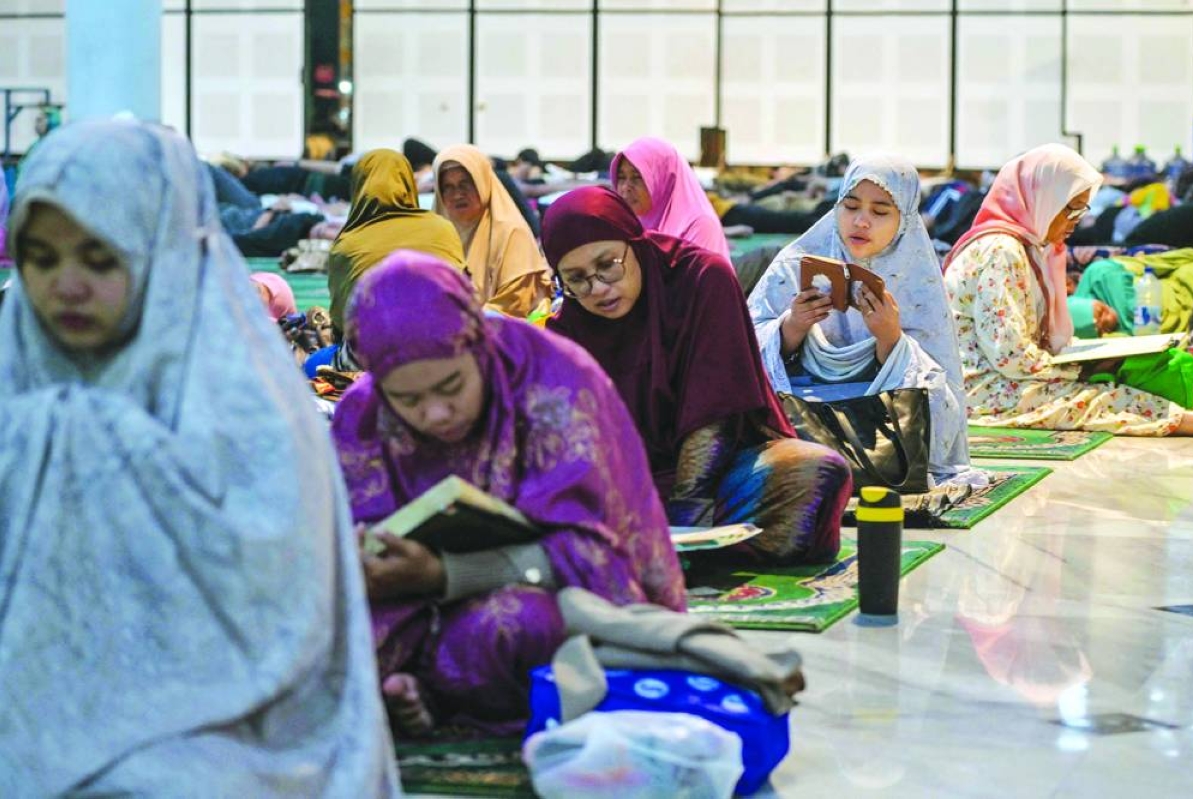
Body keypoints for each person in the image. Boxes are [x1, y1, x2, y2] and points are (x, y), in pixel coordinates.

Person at [0, 119, 398, 794]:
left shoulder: (246, 400)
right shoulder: (23, 365)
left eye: (100, 259)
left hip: (227, 719)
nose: (64, 285)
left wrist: (106, 443)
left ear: (165, 249)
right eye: (40, 257)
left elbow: (283, 613)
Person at [332, 252, 686, 736]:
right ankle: (412, 691)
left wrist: (444, 574)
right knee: (318, 648)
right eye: (408, 400)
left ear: (478, 342)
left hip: (549, 592)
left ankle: (430, 692)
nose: (436, 414)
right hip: (417, 608)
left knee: (512, 626)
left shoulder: (556, 383)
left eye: (451, 386)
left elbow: (597, 556)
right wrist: (363, 565)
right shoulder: (364, 415)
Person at [543, 186, 851, 564]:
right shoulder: (568, 329)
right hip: (629, 486)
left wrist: (687, 524)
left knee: (817, 473)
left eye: (608, 264)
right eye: (576, 279)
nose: (598, 288)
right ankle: (659, 545)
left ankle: (651, 547)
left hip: (719, 473)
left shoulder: (702, 277)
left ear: (633, 240)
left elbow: (715, 414)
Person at [747, 154, 978, 485]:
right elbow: (743, 351)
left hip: (881, 427)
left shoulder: (917, 280)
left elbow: (940, 398)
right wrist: (792, 327)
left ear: (905, 219)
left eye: (880, 211)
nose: (861, 221)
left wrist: (890, 340)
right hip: (801, 413)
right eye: (851, 206)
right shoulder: (793, 266)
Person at [944, 143, 1193, 435]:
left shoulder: (1027, 247)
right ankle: (1188, 422)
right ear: (1041, 200)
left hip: (1005, 375)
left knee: (1105, 381)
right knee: (1097, 399)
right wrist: (1080, 369)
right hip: (979, 390)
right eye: (1070, 210)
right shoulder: (1002, 250)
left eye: (1081, 211)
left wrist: (1088, 359)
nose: (1074, 223)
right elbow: (1009, 357)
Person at [327, 148, 464, 336]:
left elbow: (341, 320)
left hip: (375, 354)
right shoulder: (443, 229)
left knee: (314, 362)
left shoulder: (346, 245)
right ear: (408, 184)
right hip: (444, 346)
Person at [433, 144, 553, 319]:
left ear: (482, 183)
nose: (457, 194)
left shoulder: (510, 232)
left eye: (465, 185)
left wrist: (464, 324)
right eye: (448, 187)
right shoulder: (438, 235)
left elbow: (514, 301)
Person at [611, 136, 731, 260]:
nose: (625, 187)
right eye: (621, 177)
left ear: (664, 180)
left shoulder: (699, 225)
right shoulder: (629, 222)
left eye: (637, 177)